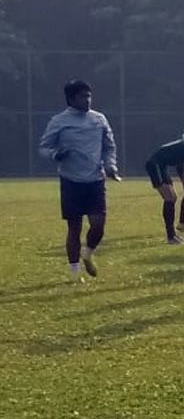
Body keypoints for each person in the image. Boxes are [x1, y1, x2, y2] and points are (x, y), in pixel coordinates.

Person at [37, 80, 120, 281]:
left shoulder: (99, 119)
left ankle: (88, 253)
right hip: (71, 180)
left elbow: (109, 147)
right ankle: (74, 274)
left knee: (98, 225)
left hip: (95, 179)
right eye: (83, 96)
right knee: (74, 228)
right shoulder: (59, 121)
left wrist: (110, 165)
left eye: (89, 96)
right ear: (72, 99)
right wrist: (56, 154)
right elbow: (43, 148)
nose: (88, 100)